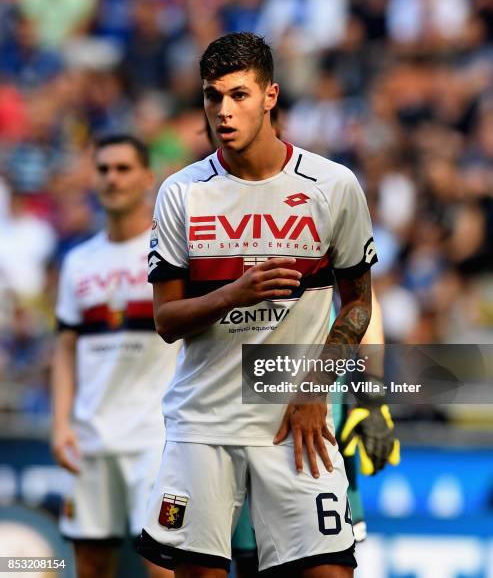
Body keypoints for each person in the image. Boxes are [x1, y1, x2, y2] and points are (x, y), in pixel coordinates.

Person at [138, 32, 378, 577]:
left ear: (270, 95)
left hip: (296, 421)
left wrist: (318, 389)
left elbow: (358, 303)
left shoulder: (333, 185)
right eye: (212, 96)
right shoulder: (182, 192)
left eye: (239, 95)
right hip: (204, 423)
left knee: (330, 571)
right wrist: (234, 293)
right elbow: (166, 320)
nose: (223, 111)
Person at [51, 134, 176, 578]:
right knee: (90, 565)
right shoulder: (78, 262)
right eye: (103, 169)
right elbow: (66, 349)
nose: (112, 178)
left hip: (157, 437)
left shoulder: (171, 251)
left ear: (147, 177)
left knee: (163, 565)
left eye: (123, 169)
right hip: (91, 437)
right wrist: (61, 423)